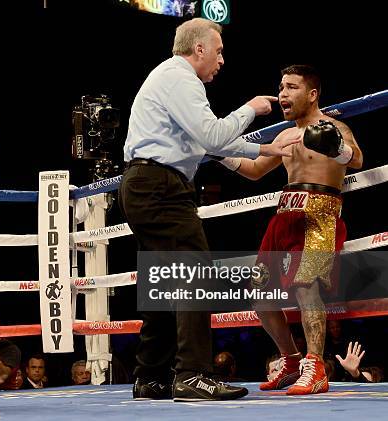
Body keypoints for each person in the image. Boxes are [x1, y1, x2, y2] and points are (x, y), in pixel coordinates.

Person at [119, 17, 299, 402]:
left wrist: (264, 151)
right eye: (218, 51)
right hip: (160, 187)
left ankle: (150, 376)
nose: (221, 60)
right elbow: (214, 134)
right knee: (195, 272)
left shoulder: (169, 81)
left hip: (147, 185)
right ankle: (193, 374)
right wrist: (250, 109)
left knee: (164, 281)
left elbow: (214, 147)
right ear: (198, 48)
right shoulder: (181, 78)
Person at [214, 64, 363, 394]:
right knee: (259, 294)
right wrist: (220, 154)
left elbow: (357, 161)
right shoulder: (283, 135)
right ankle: (291, 360)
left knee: (306, 285)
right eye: (281, 87)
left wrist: (336, 147)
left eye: (292, 87)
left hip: (320, 213)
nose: (282, 93)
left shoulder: (335, 126)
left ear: (312, 94)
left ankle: (316, 365)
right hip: (283, 215)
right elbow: (254, 170)